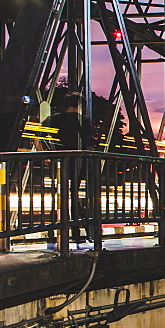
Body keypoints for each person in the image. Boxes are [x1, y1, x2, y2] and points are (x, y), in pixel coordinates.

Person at [42, 93, 94, 243]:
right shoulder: (83, 121)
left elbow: (37, 135)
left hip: (59, 162)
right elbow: (88, 141)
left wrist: (46, 155)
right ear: (80, 105)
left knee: (58, 196)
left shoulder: (54, 119)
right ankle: (77, 231)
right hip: (78, 162)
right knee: (74, 195)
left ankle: (55, 232)